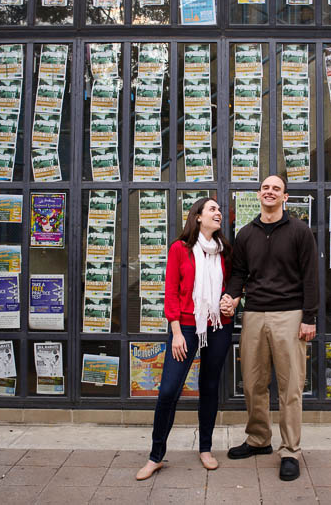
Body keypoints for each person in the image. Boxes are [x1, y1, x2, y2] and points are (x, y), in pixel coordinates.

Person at [222, 175, 319, 482]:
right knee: (252, 383)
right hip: (253, 315)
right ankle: (258, 439)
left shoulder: (300, 231)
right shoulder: (246, 234)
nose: (270, 192)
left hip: (290, 315)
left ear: (284, 197)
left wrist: (310, 317)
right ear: (259, 194)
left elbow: (311, 276)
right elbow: (238, 273)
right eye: (265, 187)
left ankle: (290, 450)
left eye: (276, 188)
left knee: (290, 387)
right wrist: (232, 297)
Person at [135, 197, 233, 480]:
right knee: (168, 391)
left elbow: (233, 284)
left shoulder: (224, 250)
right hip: (187, 327)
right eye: (212, 209)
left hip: (218, 325)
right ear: (198, 217)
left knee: (210, 387)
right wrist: (176, 332)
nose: (218, 213)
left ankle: (205, 448)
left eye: (218, 209)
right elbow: (171, 292)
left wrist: (231, 300)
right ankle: (155, 456)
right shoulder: (180, 249)